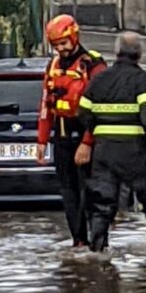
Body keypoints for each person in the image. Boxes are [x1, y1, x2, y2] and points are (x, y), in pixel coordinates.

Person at [74, 31, 146, 252]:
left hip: (104, 151)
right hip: (134, 151)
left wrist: (96, 131)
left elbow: (83, 112)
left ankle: (97, 248)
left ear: (117, 52)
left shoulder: (100, 78)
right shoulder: (140, 79)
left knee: (101, 201)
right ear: (139, 54)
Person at [35, 14, 106, 247]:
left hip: (86, 135)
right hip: (62, 135)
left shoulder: (93, 64)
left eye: (64, 44)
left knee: (91, 192)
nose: (61, 49)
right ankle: (78, 241)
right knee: (69, 194)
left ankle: (98, 242)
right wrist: (42, 141)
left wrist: (87, 142)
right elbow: (47, 104)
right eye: (56, 45)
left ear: (74, 37)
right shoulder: (53, 66)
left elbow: (100, 107)